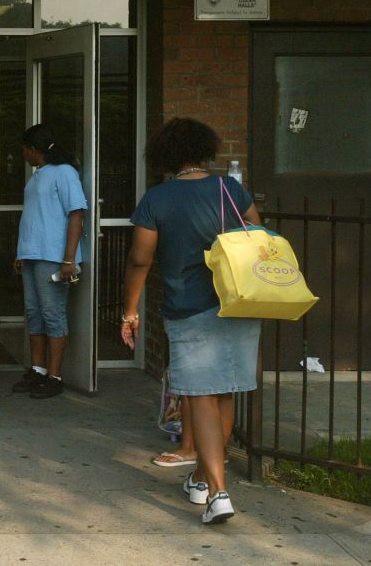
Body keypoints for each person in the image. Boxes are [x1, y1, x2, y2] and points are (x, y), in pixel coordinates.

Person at [121, 117, 262, 525]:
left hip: (189, 306)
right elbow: (256, 228)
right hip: (238, 301)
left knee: (200, 395)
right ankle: (201, 479)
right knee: (225, 393)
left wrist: (130, 311)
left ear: (164, 155)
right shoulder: (229, 189)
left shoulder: (158, 199)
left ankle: (219, 493)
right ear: (204, 148)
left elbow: (140, 259)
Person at [10, 124, 86, 400]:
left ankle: (54, 377)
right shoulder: (38, 176)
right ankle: (38, 370)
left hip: (54, 257)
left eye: (24, 149)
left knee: (53, 314)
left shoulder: (64, 173)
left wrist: (69, 258)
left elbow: (76, 214)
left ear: (33, 149)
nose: (23, 154)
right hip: (32, 255)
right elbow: (33, 217)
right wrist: (21, 253)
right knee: (34, 314)